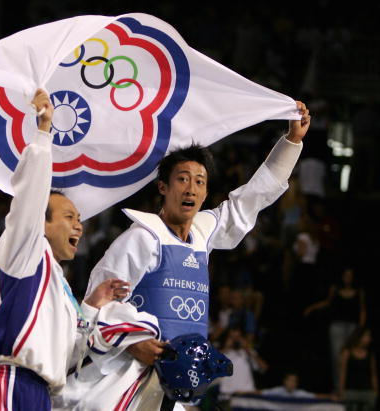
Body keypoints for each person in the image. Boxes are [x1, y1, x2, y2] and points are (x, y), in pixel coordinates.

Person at [76, 101, 310, 409]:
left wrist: (292, 142)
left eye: (199, 182)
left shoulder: (203, 232)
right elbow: (99, 302)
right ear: (162, 186)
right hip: (130, 378)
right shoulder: (140, 239)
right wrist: (132, 343)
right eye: (182, 179)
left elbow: (251, 199)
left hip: (179, 381)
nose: (191, 188)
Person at [0, 89, 129, 410]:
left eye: (80, 219)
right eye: (69, 216)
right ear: (41, 225)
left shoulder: (59, 287)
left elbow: (70, 354)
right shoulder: (27, 252)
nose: (79, 226)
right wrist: (44, 133)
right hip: (10, 383)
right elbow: (28, 198)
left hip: (43, 395)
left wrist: (92, 306)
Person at [338, 327, 378, 411]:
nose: (369, 338)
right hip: (351, 390)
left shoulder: (370, 354)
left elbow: (373, 374)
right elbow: (342, 372)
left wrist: (376, 391)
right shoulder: (347, 352)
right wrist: (341, 391)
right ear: (359, 337)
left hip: (367, 390)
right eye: (367, 336)